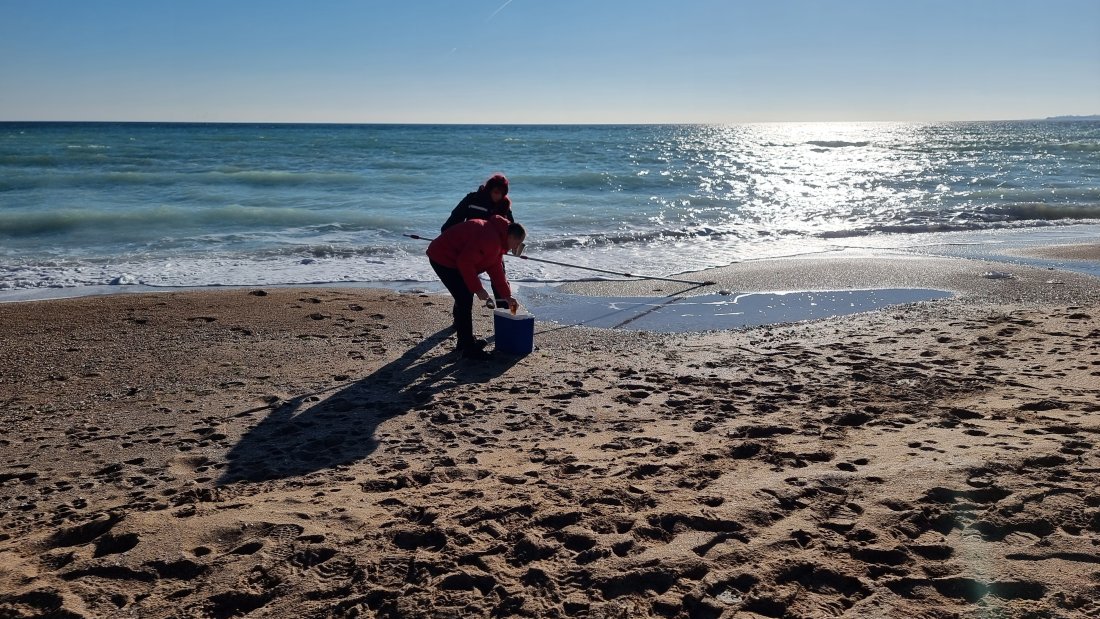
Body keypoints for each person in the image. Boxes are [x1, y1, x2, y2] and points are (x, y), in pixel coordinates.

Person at [427, 215, 526, 360]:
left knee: (464, 299)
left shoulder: (498, 241)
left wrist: (507, 296)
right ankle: (468, 348)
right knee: (464, 299)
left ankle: (464, 342)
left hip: (455, 260)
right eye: (517, 243)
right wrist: (478, 288)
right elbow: (465, 262)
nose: (516, 248)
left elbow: (496, 271)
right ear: (510, 236)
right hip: (442, 258)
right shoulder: (490, 239)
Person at [441, 174, 516, 305]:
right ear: (489, 189)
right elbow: (452, 222)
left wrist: (515, 245)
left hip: (493, 249)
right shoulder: (472, 199)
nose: (499, 196)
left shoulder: (504, 206)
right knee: (466, 281)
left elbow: (511, 231)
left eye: (502, 194)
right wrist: (448, 240)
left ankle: (503, 311)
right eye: (496, 192)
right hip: (469, 249)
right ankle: (460, 318)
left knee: (500, 278)